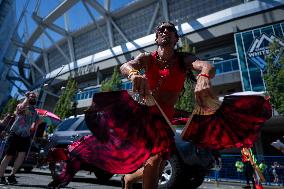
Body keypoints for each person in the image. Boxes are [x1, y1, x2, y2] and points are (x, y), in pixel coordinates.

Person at [0, 92, 41, 185]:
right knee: (9, 155)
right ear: (27, 97)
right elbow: (21, 107)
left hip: (25, 135)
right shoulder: (21, 106)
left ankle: (12, 176)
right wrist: (27, 97)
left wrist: (39, 121)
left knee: (21, 156)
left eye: (35, 97)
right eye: (32, 97)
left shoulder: (35, 111)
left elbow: (34, 125)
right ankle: (0, 176)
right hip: (15, 133)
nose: (34, 98)